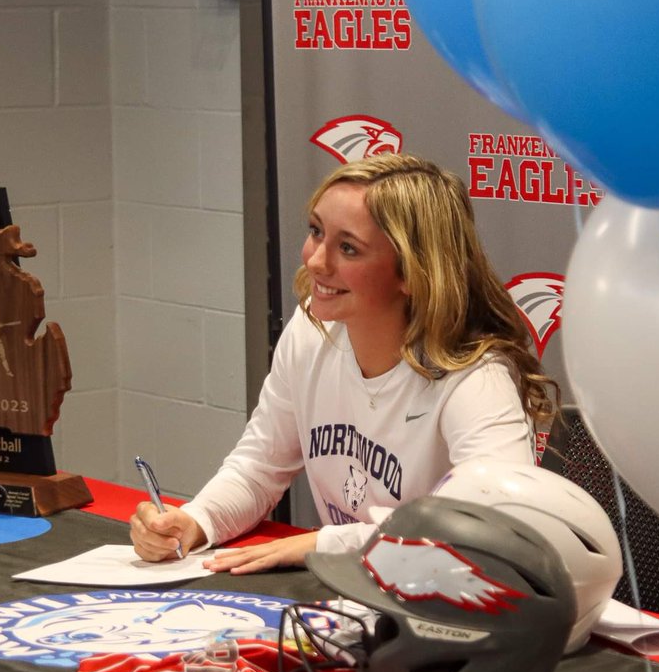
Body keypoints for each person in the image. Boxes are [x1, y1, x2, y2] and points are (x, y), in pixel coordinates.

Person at [129, 153, 558, 574]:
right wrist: (195, 521)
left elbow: (492, 530)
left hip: (454, 614)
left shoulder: (477, 378)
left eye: (348, 248)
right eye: (316, 231)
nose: (316, 261)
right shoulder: (312, 329)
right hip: (355, 596)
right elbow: (259, 467)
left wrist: (325, 542)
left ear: (413, 272)